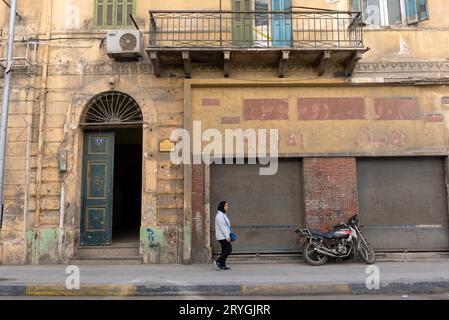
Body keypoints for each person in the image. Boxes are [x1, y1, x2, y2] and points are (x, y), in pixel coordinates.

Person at [213, 201, 232, 271]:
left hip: (224, 236)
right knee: (229, 250)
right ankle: (218, 261)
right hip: (222, 237)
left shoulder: (223, 215)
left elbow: (226, 226)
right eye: (226, 205)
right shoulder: (219, 216)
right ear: (222, 206)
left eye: (227, 205)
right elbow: (222, 227)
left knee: (224, 250)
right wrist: (227, 236)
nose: (227, 207)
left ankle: (223, 265)